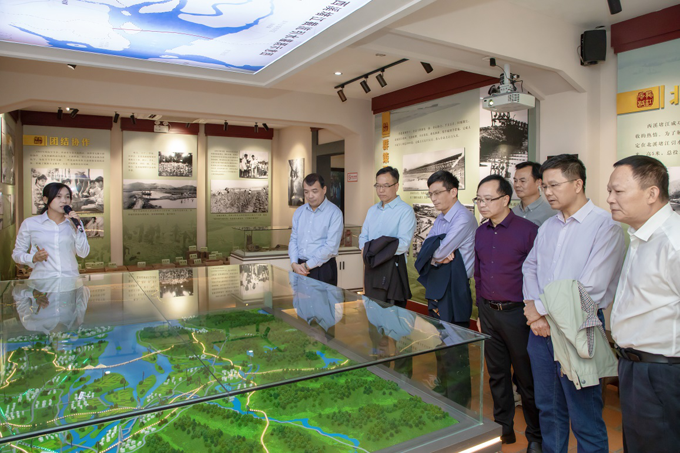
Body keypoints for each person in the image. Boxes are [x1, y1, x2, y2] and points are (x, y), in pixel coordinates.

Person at [522, 154, 625, 453]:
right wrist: (535, 314)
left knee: (585, 416)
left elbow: (591, 288)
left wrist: (539, 309)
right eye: (544, 186)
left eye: (554, 185)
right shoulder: (548, 226)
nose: (548, 192)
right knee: (548, 409)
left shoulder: (605, 226)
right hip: (540, 331)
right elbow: (530, 267)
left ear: (578, 184)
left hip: (580, 326)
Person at [607, 156, 680, 453]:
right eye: (609, 191)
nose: (610, 199)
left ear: (651, 193)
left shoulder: (672, 242)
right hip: (635, 367)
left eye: (618, 191)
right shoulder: (640, 236)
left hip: (661, 373)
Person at [474, 174, 541, 451]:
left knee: (526, 376)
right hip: (489, 312)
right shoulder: (481, 231)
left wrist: (536, 312)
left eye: (488, 199)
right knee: (497, 374)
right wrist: (479, 312)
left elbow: (539, 274)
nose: (482, 204)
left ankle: (535, 435)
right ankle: (504, 426)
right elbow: (478, 275)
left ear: (505, 199)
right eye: (479, 199)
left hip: (518, 314)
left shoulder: (528, 231)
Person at [415, 170, 477, 325]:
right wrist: (437, 257)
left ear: (453, 192)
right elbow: (426, 249)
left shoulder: (463, 218)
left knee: (455, 332)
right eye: (430, 194)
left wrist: (435, 256)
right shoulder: (441, 217)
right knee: (440, 331)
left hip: (455, 284)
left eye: (437, 193)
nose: (433, 198)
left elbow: (439, 252)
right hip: (438, 281)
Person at [359, 166, 416, 307]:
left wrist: (373, 252)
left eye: (385, 186)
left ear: (396, 186)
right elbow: (363, 236)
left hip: (392, 268)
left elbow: (403, 244)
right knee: (372, 309)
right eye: (378, 186)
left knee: (392, 312)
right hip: (372, 267)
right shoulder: (372, 210)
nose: (381, 190)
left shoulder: (405, 211)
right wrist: (364, 250)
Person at [13, 182, 90, 279]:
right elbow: (17, 255)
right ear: (45, 200)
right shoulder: (30, 223)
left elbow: (83, 253)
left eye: (67, 197)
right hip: (42, 282)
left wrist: (77, 230)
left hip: (69, 281)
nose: (64, 201)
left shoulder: (75, 223)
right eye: (58, 196)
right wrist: (33, 258)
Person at [289, 173, 344, 285]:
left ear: (324, 190)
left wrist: (306, 266)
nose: (310, 196)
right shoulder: (299, 212)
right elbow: (293, 239)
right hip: (299, 267)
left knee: (323, 297)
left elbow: (330, 247)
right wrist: (294, 264)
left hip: (323, 268)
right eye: (306, 192)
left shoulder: (334, 213)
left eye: (314, 191)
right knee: (299, 297)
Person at [512, 161, 556, 226]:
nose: (517, 185)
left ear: (538, 182)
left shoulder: (551, 214)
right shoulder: (512, 213)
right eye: (515, 181)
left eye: (522, 181)